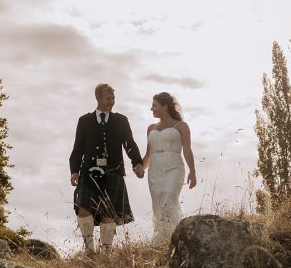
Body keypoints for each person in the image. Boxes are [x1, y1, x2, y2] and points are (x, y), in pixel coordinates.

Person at [70, 83, 145, 253]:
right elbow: (78, 147)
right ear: (98, 98)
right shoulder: (84, 121)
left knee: (108, 213)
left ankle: (106, 254)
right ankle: (89, 251)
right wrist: (74, 170)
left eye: (113, 99)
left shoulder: (121, 120)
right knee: (83, 208)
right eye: (108, 98)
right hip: (88, 172)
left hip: (113, 171)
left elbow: (129, 144)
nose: (111, 102)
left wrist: (137, 163)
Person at [140, 91, 196, 246]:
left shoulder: (182, 126)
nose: (151, 109)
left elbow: (187, 150)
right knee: (158, 205)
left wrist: (193, 171)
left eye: (154, 106)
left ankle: (177, 238)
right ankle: (162, 241)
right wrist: (140, 168)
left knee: (168, 199)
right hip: (155, 170)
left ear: (164, 107)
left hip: (174, 167)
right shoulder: (150, 128)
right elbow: (148, 154)